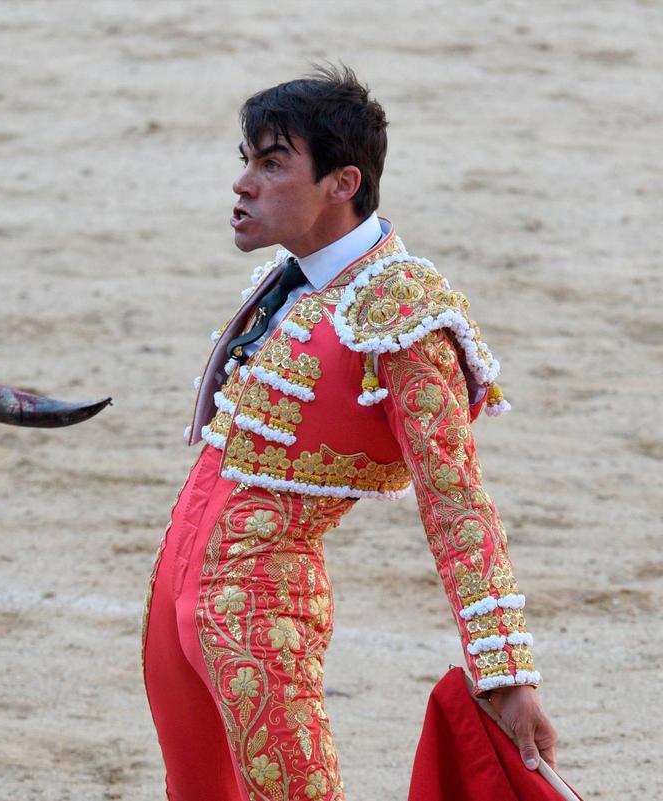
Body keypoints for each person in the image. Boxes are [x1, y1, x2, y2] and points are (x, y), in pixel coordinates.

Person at [140, 66, 557, 801]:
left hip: (263, 606)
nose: (244, 183)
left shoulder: (402, 312)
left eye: (272, 163)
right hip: (177, 591)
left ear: (343, 182)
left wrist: (506, 671)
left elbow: (455, 499)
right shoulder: (293, 278)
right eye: (246, 160)